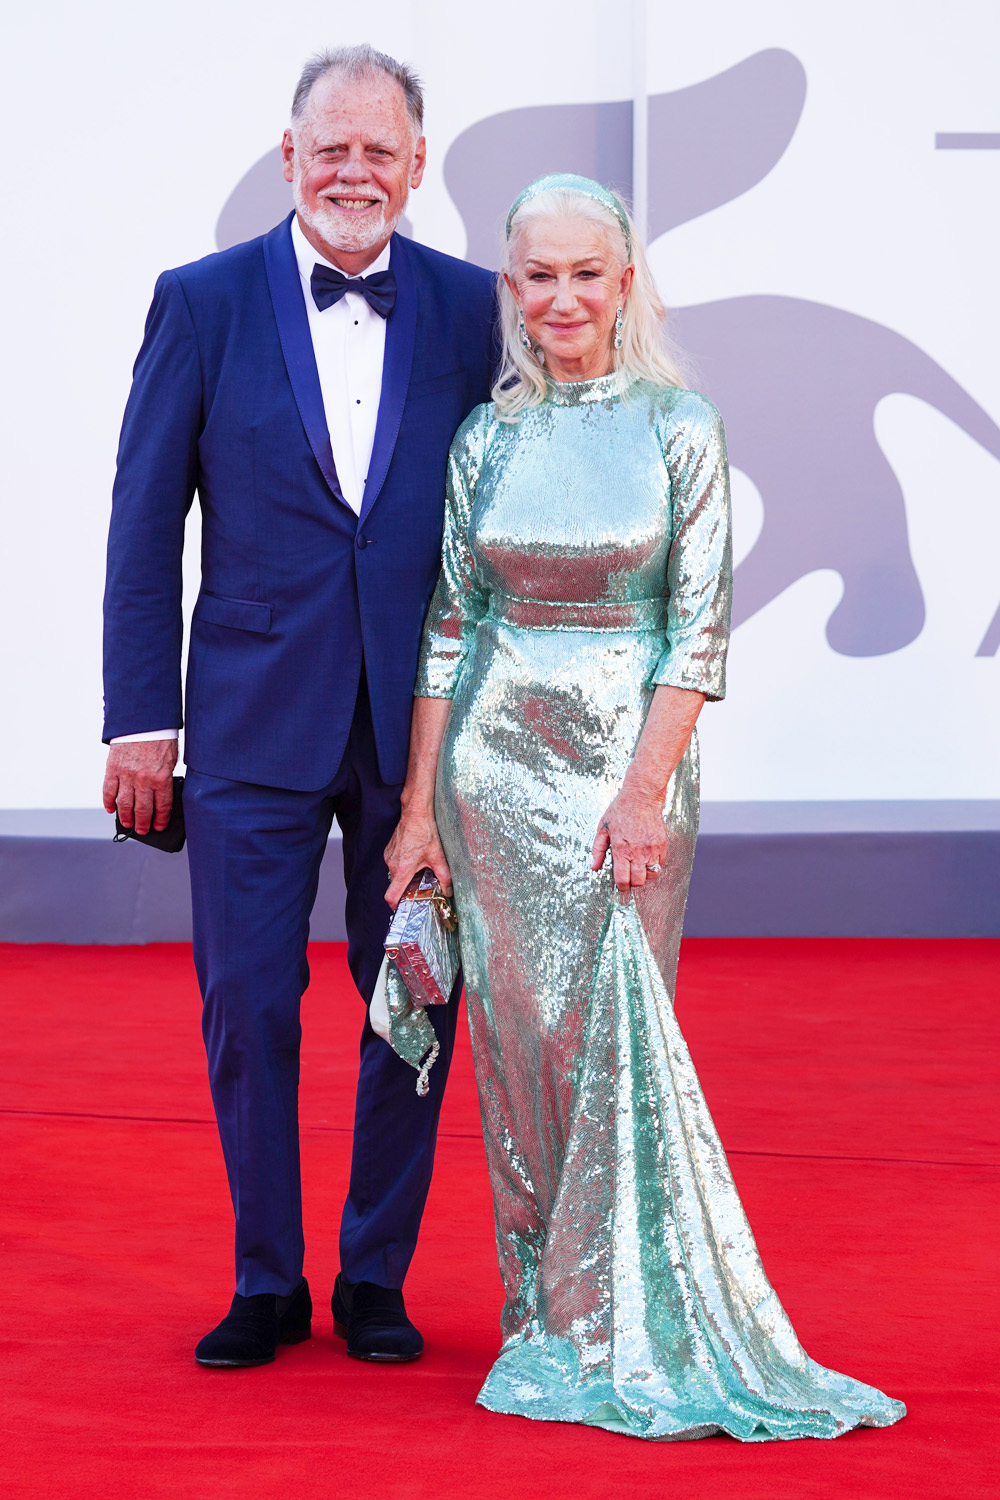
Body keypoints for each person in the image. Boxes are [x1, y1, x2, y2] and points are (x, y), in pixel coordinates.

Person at [384, 174, 906, 1439]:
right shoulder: (487, 438)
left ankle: (634, 1317)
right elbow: (450, 633)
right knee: (517, 1052)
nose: (561, 299)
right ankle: (547, 1318)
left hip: (628, 774)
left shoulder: (682, 425)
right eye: (537, 277)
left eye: (585, 275)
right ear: (510, 290)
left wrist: (639, 794)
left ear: (625, 285)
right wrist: (416, 815)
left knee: (611, 1034)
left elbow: (698, 634)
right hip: (490, 781)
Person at [102, 45, 496, 1367]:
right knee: (249, 1004)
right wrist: (137, 720)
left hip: (421, 733)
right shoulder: (202, 303)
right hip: (253, 723)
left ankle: (374, 1275)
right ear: (287, 158)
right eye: (331, 147)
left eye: (380, 149)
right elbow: (144, 526)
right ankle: (267, 1276)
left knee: (414, 1003)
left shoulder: (471, 309)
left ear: (417, 166)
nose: (354, 171)